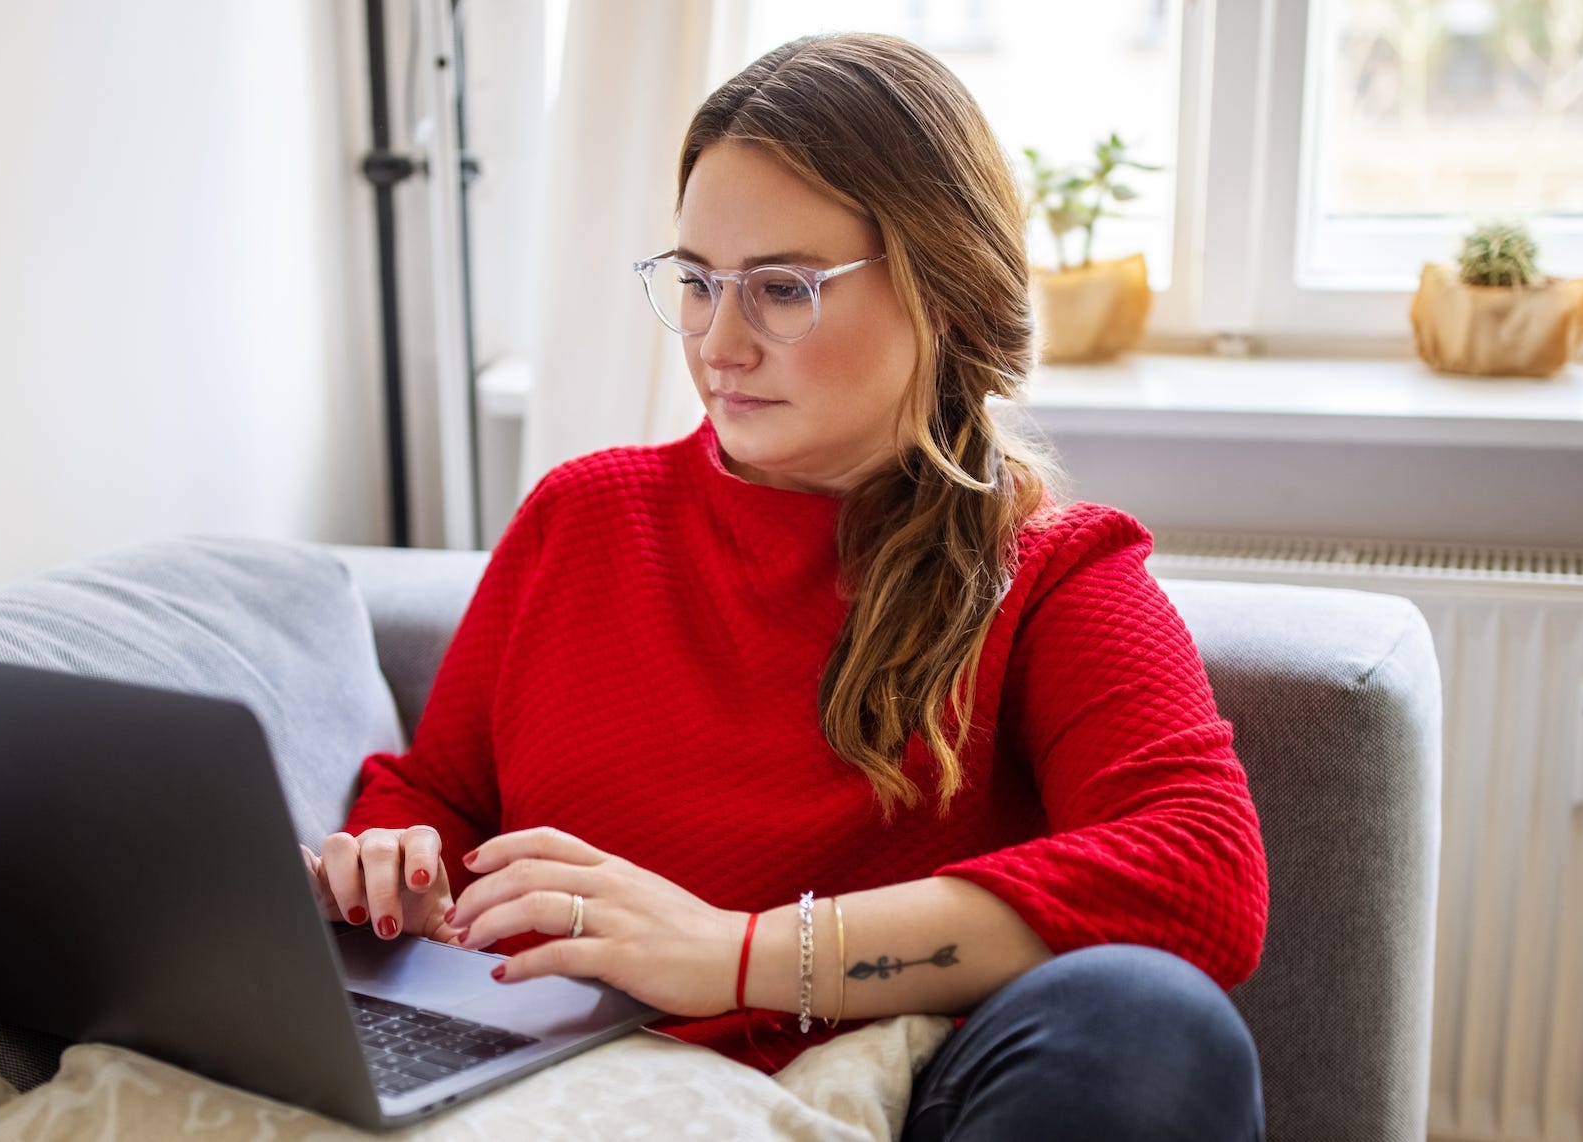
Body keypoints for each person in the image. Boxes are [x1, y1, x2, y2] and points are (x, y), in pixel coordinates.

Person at [302, 31, 1268, 1141]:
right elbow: (437, 792)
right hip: (548, 1088)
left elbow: (1199, 869)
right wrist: (392, 857)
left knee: (1153, 1025)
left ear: (941, 293)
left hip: (856, 1092)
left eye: (780, 288)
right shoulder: (582, 516)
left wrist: (742, 953)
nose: (717, 342)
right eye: (698, 282)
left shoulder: (1049, 574)